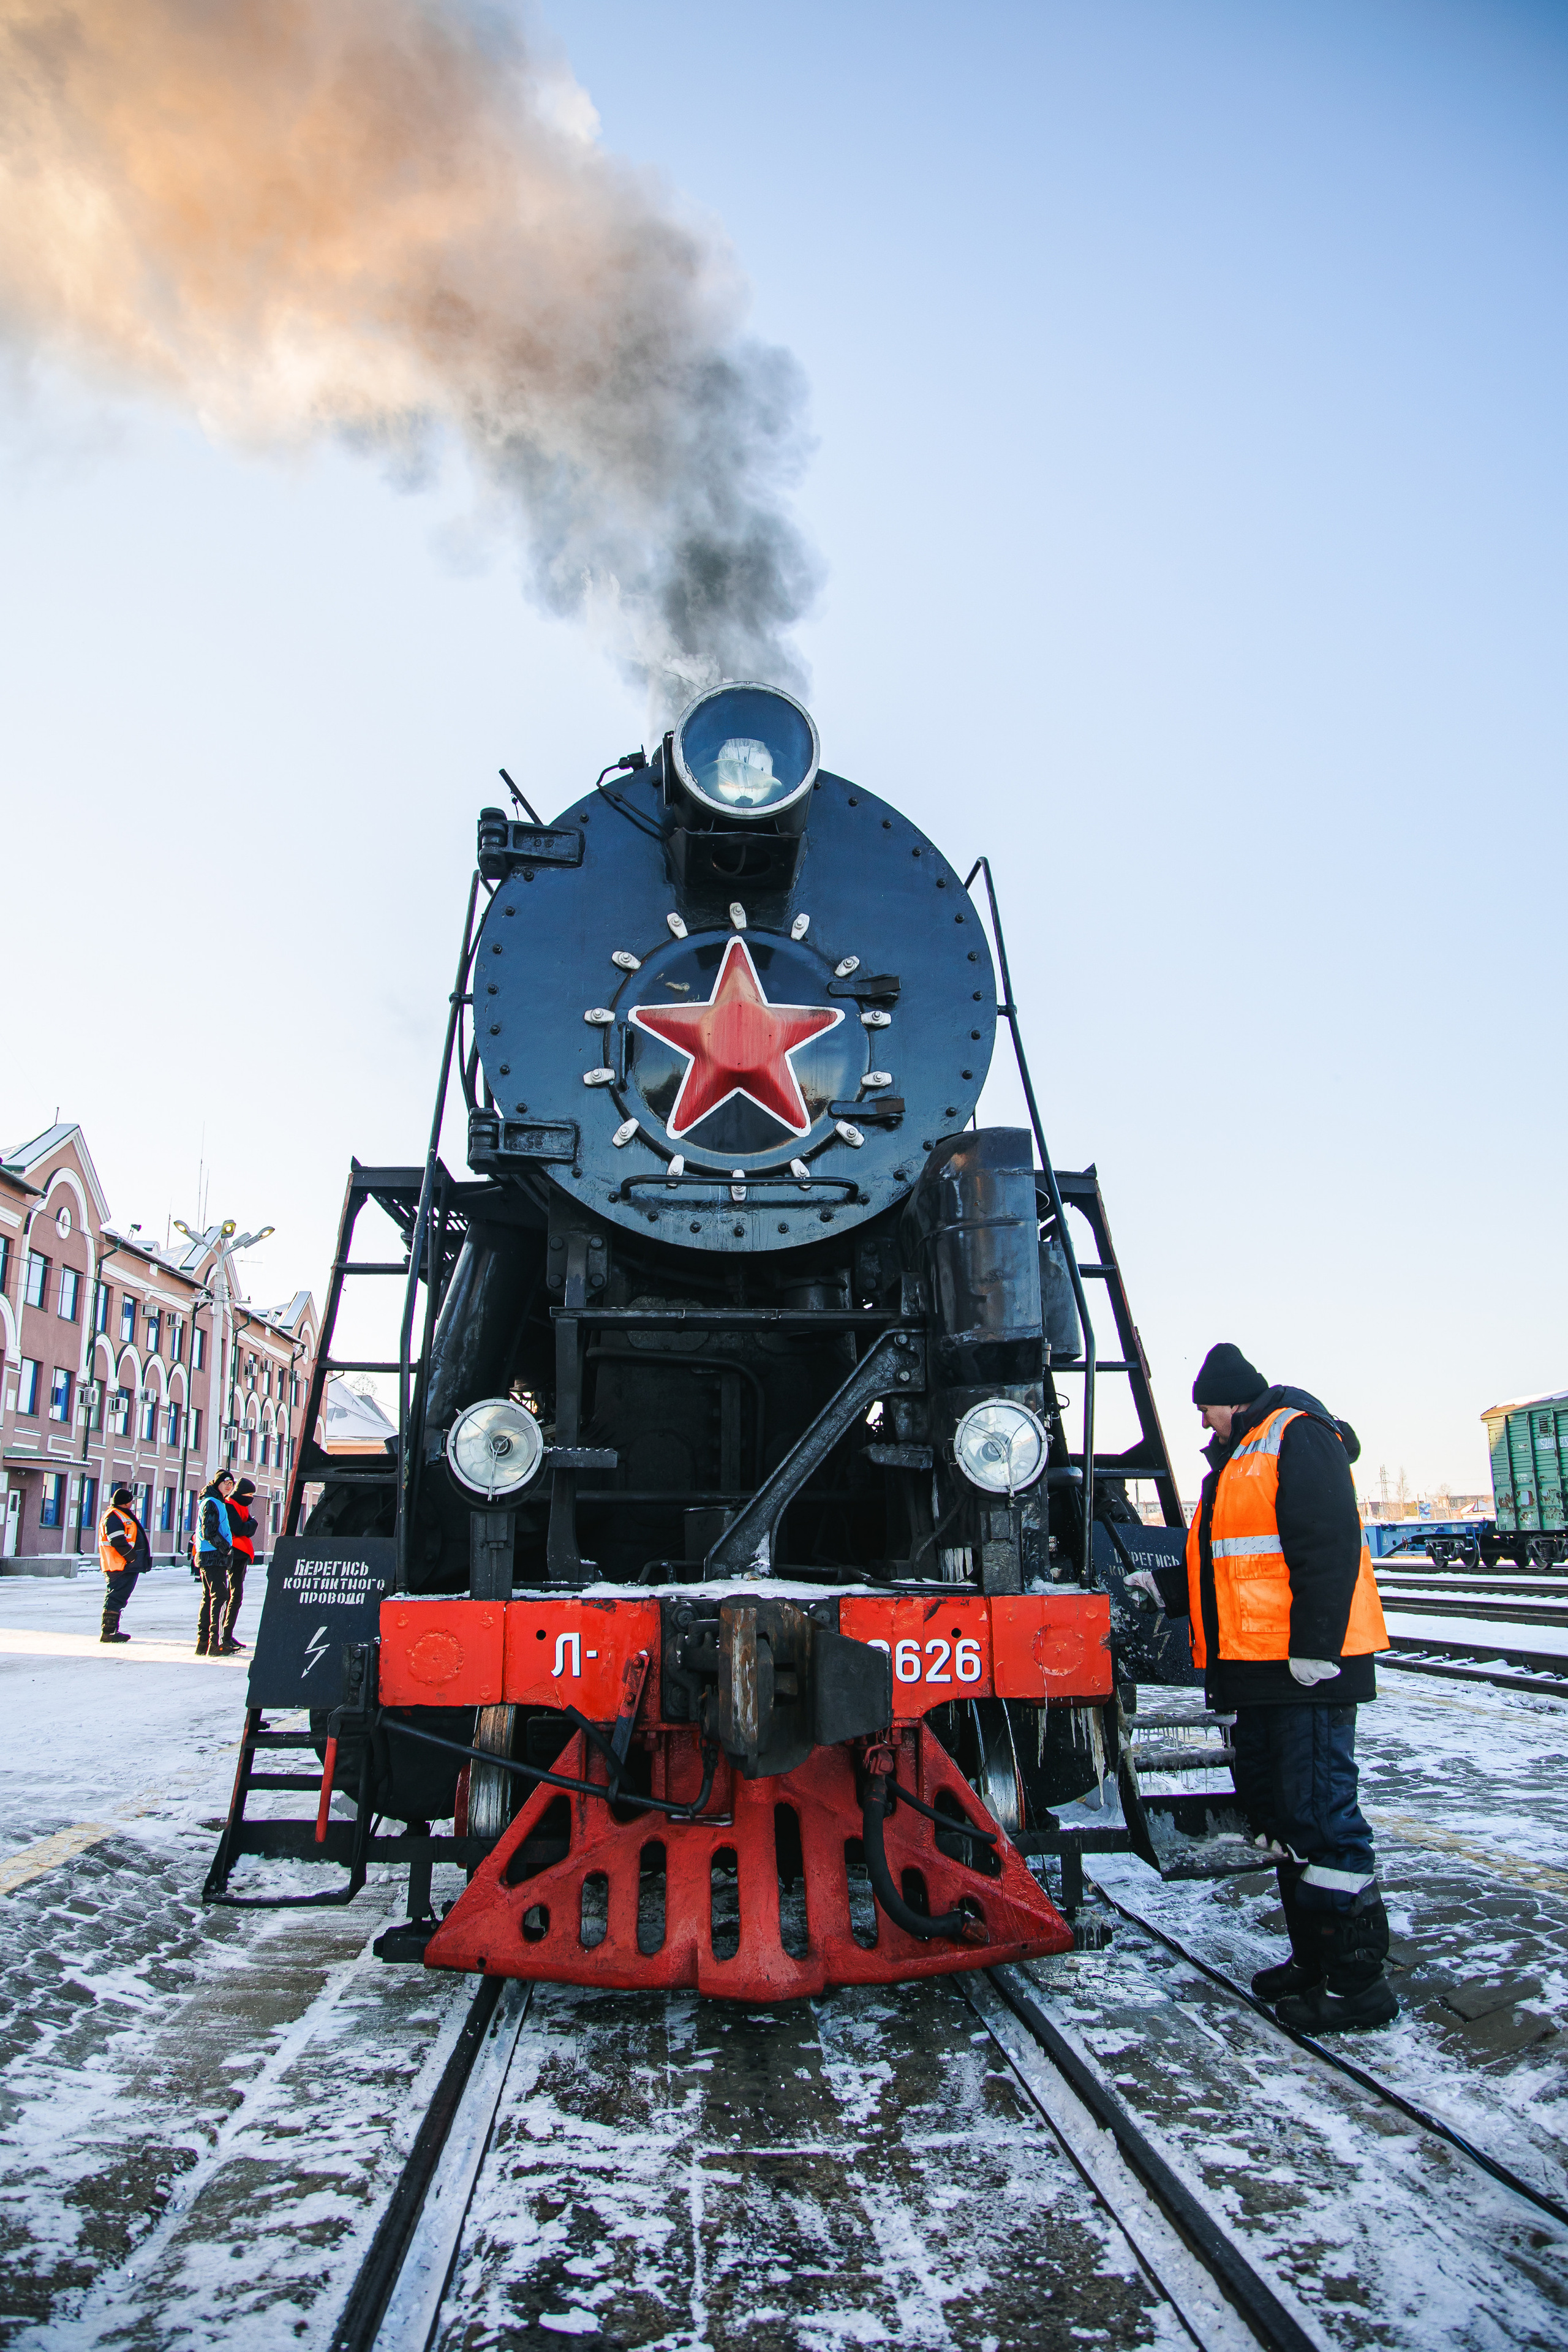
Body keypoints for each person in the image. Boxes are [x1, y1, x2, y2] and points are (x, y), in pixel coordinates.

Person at [1129, 1343, 1396, 2031]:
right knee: (1282, 1822)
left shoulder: (1296, 1437)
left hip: (1305, 1673)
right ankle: (1313, 1960)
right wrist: (1164, 1587)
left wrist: (1315, 1650)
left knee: (1322, 1821)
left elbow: (1327, 1547)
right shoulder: (1239, 1458)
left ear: (1232, 1398)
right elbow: (1235, 1569)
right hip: (1260, 1675)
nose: (1203, 1424)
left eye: (1205, 1410)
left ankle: (1357, 1984)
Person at [97, 1483, 149, 1644]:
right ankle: (108, 1632)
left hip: (124, 1565)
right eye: (131, 1501)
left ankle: (112, 1630)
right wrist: (131, 1557)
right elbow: (117, 1540)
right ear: (126, 1502)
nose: (132, 1504)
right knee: (116, 1596)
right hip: (120, 1565)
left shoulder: (120, 1514)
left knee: (119, 1597)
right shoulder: (114, 1516)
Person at [193, 1471, 238, 1657]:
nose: (229, 1486)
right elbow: (209, 1531)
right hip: (213, 1556)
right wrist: (225, 1548)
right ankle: (215, 1643)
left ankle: (204, 1643)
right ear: (217, 1483)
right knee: (219, 1597)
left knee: (209, 1598)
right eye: (226, 1482)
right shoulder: (212, 1502)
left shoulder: (214, 1501)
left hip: (208, 1555)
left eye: (232, 1483)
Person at [223, 1476, 258, 1654]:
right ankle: (225, 1635)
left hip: (240, 1555)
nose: (251, 1498)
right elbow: (240, 1529)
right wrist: (252, 1523)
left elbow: (246, 1529)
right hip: (233, 1555)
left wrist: (249, 1524)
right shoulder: (230, 1506)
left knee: (236, 1596)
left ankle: (228, 1633)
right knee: (233, 1595)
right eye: (249, 1494)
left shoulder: (239, 1506)